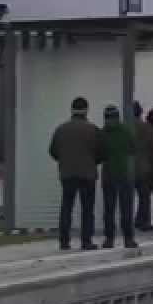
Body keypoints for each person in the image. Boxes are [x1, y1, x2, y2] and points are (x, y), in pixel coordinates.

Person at [50, 97, 102, 251]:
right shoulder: (93, 129)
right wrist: (92, 162)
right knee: (87, 209)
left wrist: (64, 160)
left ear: (71, 109)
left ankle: (64, 241)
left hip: (67, 173)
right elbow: (101, 152)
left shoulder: (61, 129)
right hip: (87, 174)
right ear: (86, 110)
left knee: (66, 206)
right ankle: (86, 241)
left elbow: (53, 151)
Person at [99, 105, 138, 249]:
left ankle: (109, 239)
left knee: (109, 210)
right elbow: (133, 149)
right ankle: (128, 239)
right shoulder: (126, 132)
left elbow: (98, 153)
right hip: (124, 175)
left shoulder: (102, 133)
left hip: (108, 175)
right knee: (126, 209)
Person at [131, 102, 153, 232]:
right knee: (144, 196)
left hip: (126, 166)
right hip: (143, 166)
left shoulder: (125, 127)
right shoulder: (147, 128)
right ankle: (143, 221)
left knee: (125, 196)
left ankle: (130, 220)